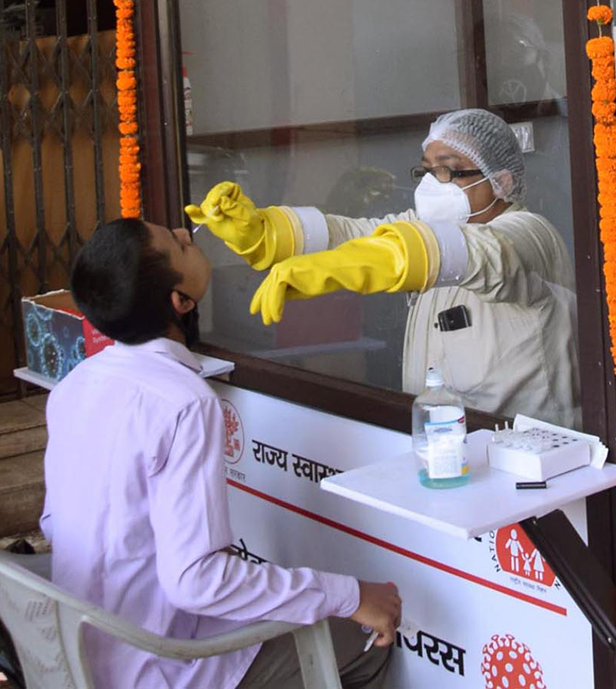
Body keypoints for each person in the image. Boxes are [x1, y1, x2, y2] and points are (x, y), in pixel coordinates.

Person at [43, 219, 400, 689]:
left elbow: (55, 524)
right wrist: (351, 595)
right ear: (181, 301)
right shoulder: (185, 403)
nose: (186, 233)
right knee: (357, 643)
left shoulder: (75, 385)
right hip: (156, 665)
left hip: (82, 653)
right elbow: (196, 581)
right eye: (175, 243)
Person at [185, 109, 579, 427]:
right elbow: (353, 233)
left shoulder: (529, 235)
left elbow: (474, 255)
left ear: (501, 182)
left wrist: (339, 268)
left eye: (447, 169)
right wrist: (262, 231)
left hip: (527, 451)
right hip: (448, 445)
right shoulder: (432, 229)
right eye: (425, 169)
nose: (430, 183)